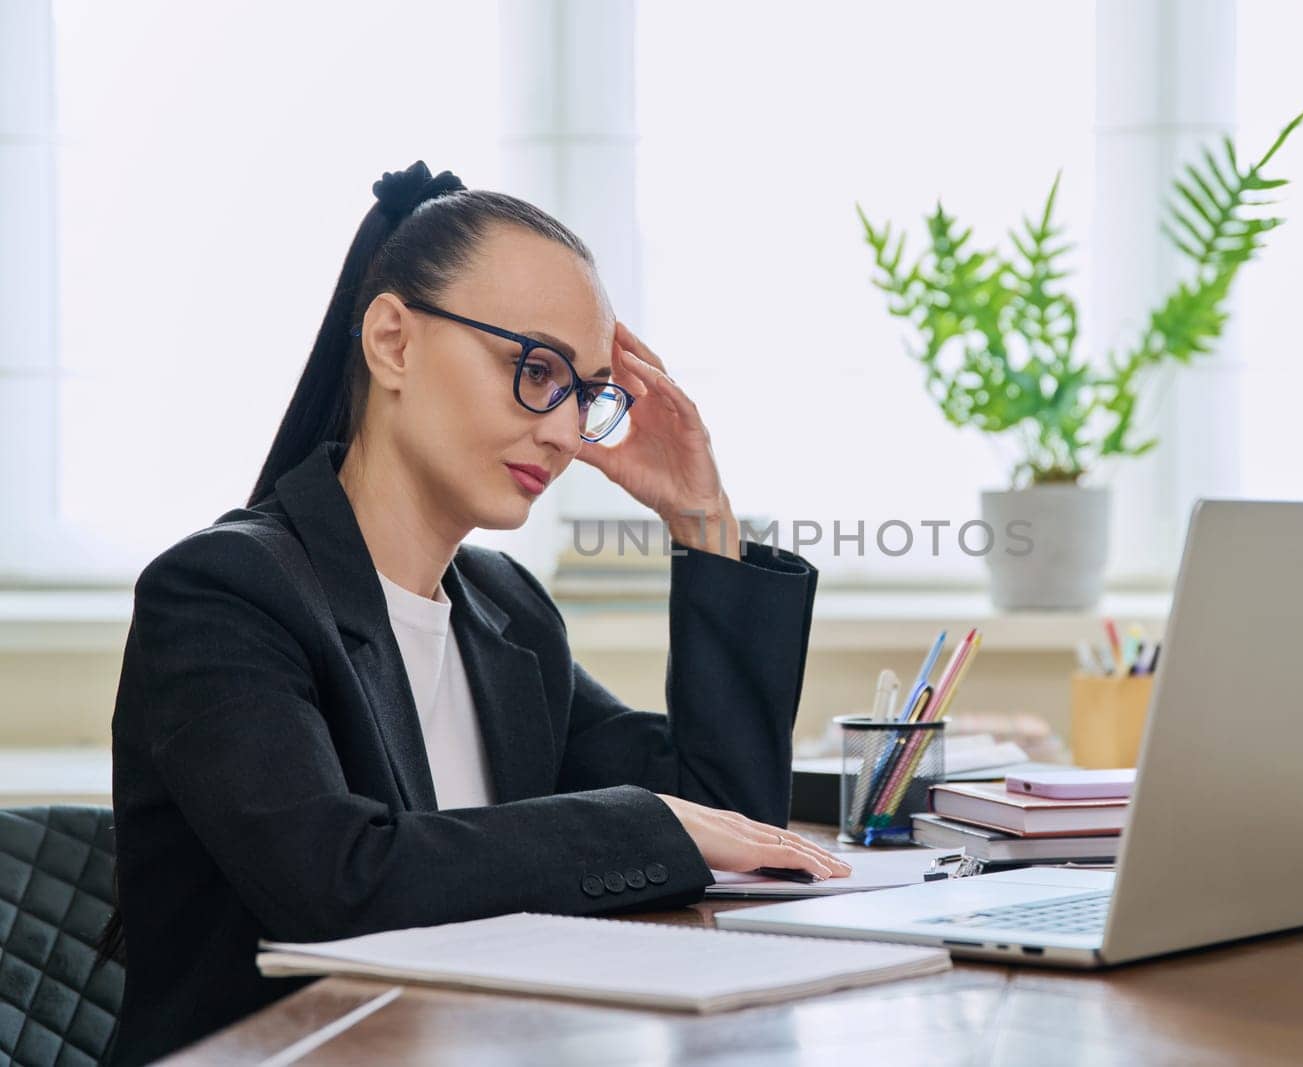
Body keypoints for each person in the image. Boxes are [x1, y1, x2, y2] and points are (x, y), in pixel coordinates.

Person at [104, 160, 849, 1065]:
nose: (568, 433)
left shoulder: (508, 613)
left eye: (586, 393)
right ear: (394, 343)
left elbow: (726, 819)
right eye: (534, 370)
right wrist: (645, 820)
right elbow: (339, 885)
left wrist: (703, 520)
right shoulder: (222, 594)